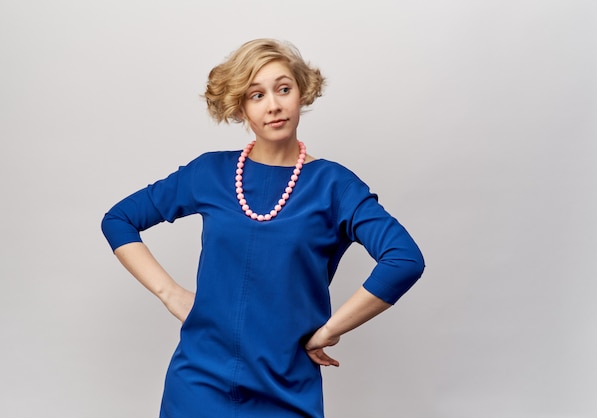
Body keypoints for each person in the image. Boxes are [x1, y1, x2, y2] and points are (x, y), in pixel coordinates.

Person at [101, 38, 425, 418]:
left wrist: (330, 330)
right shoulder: (210, 173)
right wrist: (169, 293)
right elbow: (119, 220)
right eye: (256, 95)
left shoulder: (334, 185)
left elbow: (404, 259)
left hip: (286, 386)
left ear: (301, 93)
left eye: (283, 89)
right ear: (240, 107)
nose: (273, 105)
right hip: (198, 384)